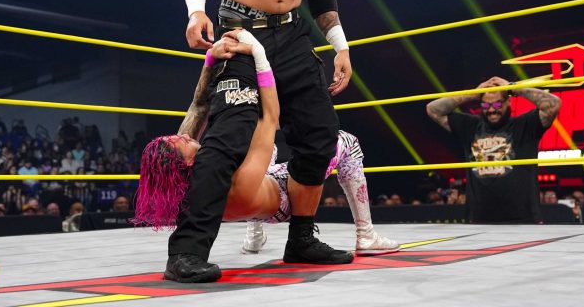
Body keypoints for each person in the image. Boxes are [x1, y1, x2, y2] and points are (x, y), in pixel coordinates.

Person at [173, 0, 353, 282]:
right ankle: (187, 252)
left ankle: (302, 239)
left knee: (320, 135)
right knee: (227, 138)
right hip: (240, 33)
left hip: (293, 36)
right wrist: (196, 10)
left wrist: (341, 46)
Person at [136, 32, 397, 270]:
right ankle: (366, 234)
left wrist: (209, 61)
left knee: (255, 149)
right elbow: (270, 117)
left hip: (256, 195)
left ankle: (254, 234)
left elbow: (197, 106)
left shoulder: (192, 185)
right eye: (181, 141)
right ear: (188, 162)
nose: (183, 135)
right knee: (347, 142)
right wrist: (259, 55)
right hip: (282, 199)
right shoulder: (233, 182)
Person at [425, 76, 561, 223]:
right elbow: (433, 109)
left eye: (497, 104)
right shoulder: (470, 127)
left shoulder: (525, 126)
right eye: (485, 105)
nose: (491, 110)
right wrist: (471, 94)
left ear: (508, 102)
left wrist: (513, 88)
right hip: (479, 219)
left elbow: (554, 104)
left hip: (522, 219)